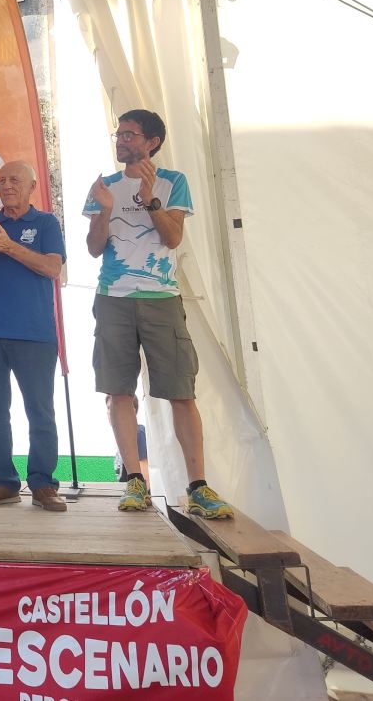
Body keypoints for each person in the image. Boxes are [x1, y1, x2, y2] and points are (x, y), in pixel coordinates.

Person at [84, 109, 234, 519]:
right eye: (118, 134)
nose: (121, 140)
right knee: (118, 391)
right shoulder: (104, 186)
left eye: (129, 135)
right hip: (113, 298)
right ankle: (135, 481)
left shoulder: (173, 182)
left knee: (181, 391)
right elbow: (94, 248)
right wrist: (103, 210)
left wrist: (150, 200)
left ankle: (198, 487)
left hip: (162, 298)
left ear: (151, 142)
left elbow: (172, 238)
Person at [0, 161, 68, 513]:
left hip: (34, 333)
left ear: (32, 186)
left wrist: (10, 247)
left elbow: (52, 268)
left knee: (40, 411)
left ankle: (43, 483)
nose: (7, 185)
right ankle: (3, 482)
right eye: (2, 180)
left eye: (15, 180)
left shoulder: (45, 223)